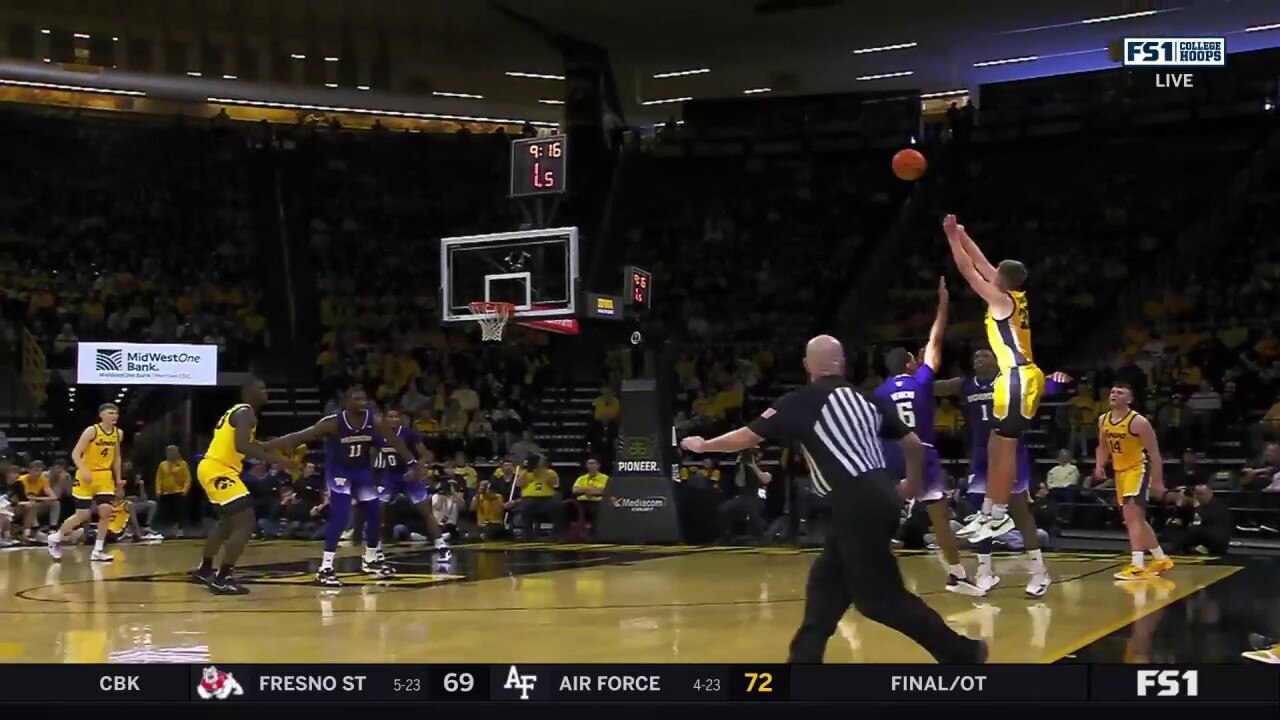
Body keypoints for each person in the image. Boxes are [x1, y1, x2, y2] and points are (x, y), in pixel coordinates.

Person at [681, 335, 986, 664]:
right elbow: (913, 445)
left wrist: (703, 445)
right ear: (841, 363)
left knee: (880, 600)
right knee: (826, 584)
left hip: (855, 502)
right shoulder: (867, 400)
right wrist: (911, 486)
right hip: (878, 496)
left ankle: (961, 653)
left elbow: (746, 437)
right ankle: (803, 661)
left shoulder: (799, 401)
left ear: (806, 366)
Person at [874, 277, 983, 595]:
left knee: (881, 520)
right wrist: (944, 304)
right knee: (939, 517)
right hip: (922, 453)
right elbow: (937, 338)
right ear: (910, 363)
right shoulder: (920, 379)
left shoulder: (879, 392)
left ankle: (863, 574)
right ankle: (957, 575)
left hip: (891, 456)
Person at [944, 215, 1045, 543]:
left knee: (1004, 448)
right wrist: (964, 233)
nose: (992, 273)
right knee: (994, 444)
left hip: (1020, 376)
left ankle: (1000, 515)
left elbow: (968, 270)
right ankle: (989, 510)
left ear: (1003, 279)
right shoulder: (1014, 295)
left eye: (997, 273)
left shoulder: (1001, 301)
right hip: (1012, 378)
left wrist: (951, 237)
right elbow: (984, 264)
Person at [936, 348, 1070, 597]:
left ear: (997, 360)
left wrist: (1056, 381)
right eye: (975, 356)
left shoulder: (1011, 380)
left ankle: (1039, 572)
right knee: (980, 516)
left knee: (1019, 512)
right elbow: (932, 388)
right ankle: (985, 572)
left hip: (1010, 452)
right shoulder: (964, 384)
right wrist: (918, 374)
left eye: (984, 355)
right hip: (980, 455)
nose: (978, 358)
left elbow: (1043, 387)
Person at [267, 386, 421, 587]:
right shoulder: (332, 423)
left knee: (375, 513)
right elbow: (299, 436)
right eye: (357, 398)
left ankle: (371, 559)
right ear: (346, 402)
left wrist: (412, 463)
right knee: (340, 516)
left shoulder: (374, 420)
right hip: (339, 473)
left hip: (362, 472)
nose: (362, 401)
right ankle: (326, 567)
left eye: (364, 398)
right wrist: (266, 446)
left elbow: (395, 442)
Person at [191, 379, 298, 594]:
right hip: (218, 469)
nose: (265, 391)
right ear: (247, 393)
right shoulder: (246, 413)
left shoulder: (241, 414)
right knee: (246, 520)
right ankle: (223, 577)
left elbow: (251, 446)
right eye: (260, 388)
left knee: (227, 523)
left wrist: (279, 445)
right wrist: (281, 462)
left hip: (216, 468)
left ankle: (204, 569)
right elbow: (243, 447)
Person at [1096, 382, 1174, 580]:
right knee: (1136, 519)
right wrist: (1099, 465)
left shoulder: (1139, 422)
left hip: (1138, 468)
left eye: (1120, 392)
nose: (1114, 394)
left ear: (1129, 399)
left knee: (1131, 517)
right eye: (1112, 391)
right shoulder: (1103, 419)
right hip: (1119, 471)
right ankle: (1161, 558)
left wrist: (1157, 482)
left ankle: (1137, 565)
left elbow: (1155, 454)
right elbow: (1103, 446)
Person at [372, 406, 451, 560]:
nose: (393, 419)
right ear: (385, 419)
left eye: (396, 417)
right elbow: (373, 455)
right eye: (390, 416)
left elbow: (427, 455)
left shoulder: (409, 434)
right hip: (390, 477)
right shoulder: (379, 435)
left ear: (401, 419)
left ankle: (442, 546)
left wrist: (416, 469)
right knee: (377, 509)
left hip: (410, 477)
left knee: (425, 512)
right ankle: (376, 548)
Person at [49, 403, 124, 562]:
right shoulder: (92, 431)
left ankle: (97, 550)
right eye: (111, 413)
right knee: (82, 515)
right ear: (102, 415)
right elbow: (76, 454)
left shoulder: (118, 434)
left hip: (104, 476)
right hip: (86, 475)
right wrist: (83, 470)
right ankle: (56, 537)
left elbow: (117, 457)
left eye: (116, 413)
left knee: (106, 512)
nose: (115, 416)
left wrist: (118, 478)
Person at [17, 461, 60, 542]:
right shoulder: (21, 480)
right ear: (29, 470)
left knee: (55, 503)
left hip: (36, 505)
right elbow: (24, 498)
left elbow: (53, 497)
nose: (39, 473)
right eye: (36, 470)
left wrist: (37, 498)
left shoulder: (42, 479)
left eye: (40, 470)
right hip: (23, 507)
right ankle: (35, 530)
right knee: (31, 505)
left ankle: (53, 528)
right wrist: (36, 499)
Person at [155, 445, 191, 537]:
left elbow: (187, 478)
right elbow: (159, 478)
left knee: (179, 511)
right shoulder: (162, 464)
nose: (170, 454)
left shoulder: (182, 464)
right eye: (168, 452)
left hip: (178, 492)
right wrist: (158, 490)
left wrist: (184, 490)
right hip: (166, 493)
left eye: (172, 451)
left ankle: (179, 529)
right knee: (167, 512)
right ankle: (169, 530)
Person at [571, 457, 609, 527]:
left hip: (597, 502)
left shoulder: (605, 478)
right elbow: (574, 490)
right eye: (589, 464)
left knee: (598, 511)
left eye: (593, 463)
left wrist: (585, 490)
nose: (591, 466)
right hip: (582, 502)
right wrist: (590, 489)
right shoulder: (581, 478)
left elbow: (603, 491)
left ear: (598, 465)